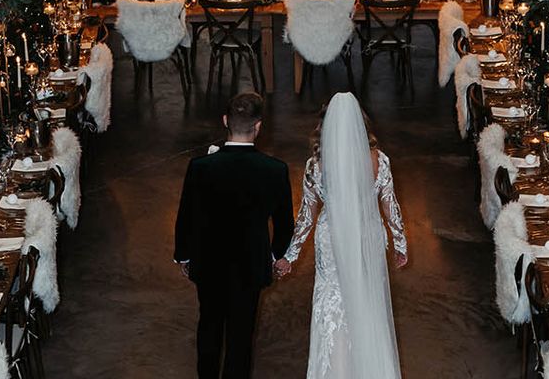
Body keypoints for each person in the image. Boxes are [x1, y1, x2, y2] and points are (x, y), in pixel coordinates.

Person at [277, 93, 407, 379]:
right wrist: (400, 243)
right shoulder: (379, 161)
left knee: (331, 305)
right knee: (367, 300)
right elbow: (389, 204)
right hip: (367, 234)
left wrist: (290, 254)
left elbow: (307, 215)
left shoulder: (316, 165)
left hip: (331, 237)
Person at [174, 92, 294, 379]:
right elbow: (284, 223)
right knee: (241, 335)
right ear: (258, 126)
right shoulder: (275, 170)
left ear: (225, 121)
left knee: (209, 326)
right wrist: (277, 255)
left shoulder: (200, 167)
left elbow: (186, 216)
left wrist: (183, 255)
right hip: (250, 264)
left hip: (209, 262)